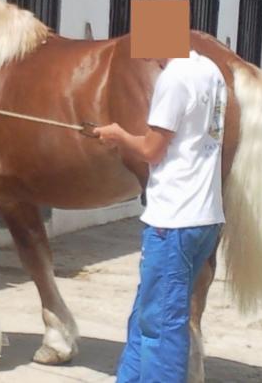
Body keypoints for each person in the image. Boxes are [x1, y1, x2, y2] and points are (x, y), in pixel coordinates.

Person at [94, 45, 227, 382]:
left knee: (161, 324)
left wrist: (119, 136)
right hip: (205, 217)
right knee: (146, 314)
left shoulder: (174, 77)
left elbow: (152, 150)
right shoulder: (209, 69)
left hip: (174, 221)